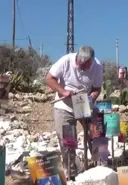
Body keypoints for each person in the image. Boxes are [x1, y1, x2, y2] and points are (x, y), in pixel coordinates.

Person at [45, 46, 103, 180]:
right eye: (80, 65)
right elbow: (49, 78)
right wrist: (63, 91)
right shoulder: (65, 61)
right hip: (65, 105)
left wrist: (90, 99)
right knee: (68, 141)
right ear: (76, 58)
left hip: (84, 102)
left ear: (91, 62)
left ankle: (101, 167)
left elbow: (97, 88)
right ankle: (72, 174)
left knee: (97, 132)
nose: (82, 68)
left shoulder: (97, 66)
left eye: (85, 66)